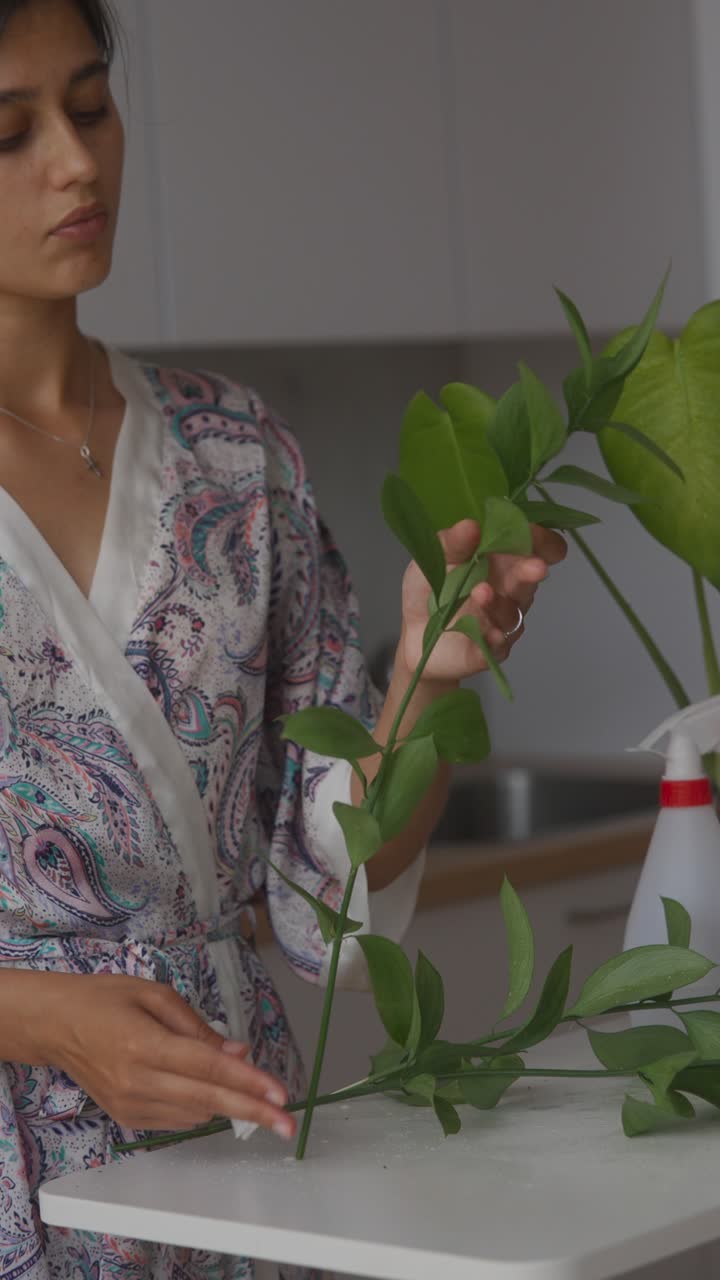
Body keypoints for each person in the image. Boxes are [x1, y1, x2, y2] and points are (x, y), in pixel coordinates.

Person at [0, 1, 567, 1277]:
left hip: (229, 1163)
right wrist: (40, 1016)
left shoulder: (233, 451)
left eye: (90, 106)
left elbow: (325, 883)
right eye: (10, 131)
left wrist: (422, 681)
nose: (77, 162)